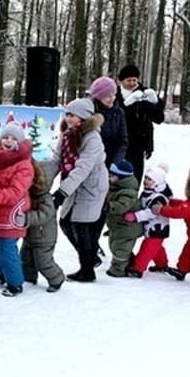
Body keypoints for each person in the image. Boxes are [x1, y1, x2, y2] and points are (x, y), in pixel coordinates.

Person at [43, 98, 109, 282]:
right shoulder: (67, 134)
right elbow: (57, 160)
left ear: (84, 116)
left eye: (73, 115)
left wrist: (62, 193)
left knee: (80, 224)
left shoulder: (93, 138)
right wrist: (44, 185)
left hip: (91, 186)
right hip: (73, 183)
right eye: (68, 114)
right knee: (65, 222)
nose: (69, 118)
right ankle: (91, 257)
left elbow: (82, 168)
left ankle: (87, 270)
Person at [0, 124, 34, 296]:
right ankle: (5, 272)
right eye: (6, 137)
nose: (9, 141)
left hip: (11, 212)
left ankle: (15, 283)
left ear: (20, 143)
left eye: (14, 139)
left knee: (7, 249)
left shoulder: (24, 164)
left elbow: (15, 192)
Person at [20, 158, 65, 292]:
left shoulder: (46, 199)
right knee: (26, 258)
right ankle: (29, 277)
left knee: (43, 262)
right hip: (30, 236)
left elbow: (44, 215)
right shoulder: (30, 196)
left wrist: (27, 218)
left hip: (44, 238)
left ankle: (56, 278)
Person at [116, 64, 165, 183]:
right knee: (116, 177)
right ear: (121, 81)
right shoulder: (115, 94)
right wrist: (128, 104)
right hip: (118, 143)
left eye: (135, 80)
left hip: (138, 143)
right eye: (129, 80)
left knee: (134, 178)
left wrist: (154, 103)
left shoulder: (145, 94)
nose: (132, 83)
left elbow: (158, 118)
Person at [125, 164, 173, 277]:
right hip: (150, 228)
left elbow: (151, 212)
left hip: (158, 228)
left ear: (157, 182)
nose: (146, 181)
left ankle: (138, 269)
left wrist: (136, 216)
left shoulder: (159, 197)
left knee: (147, 249)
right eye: (146, 178)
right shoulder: (147, 193)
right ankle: (162, 265)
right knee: (156, 248)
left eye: (150, 179)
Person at [104, 160, 143, 277]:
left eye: (112, 176)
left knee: (121, 250)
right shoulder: (115, 187)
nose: (109, 178)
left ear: (121, 177)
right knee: (114, 246)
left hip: (128, 228)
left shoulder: (128, 192)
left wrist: (107, 206)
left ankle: (118, 270)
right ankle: (131, 263)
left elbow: (122, 206)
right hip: (118, 226)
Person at [89, 75, 129, 168]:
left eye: (113, 95)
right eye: (107, 96)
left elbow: (123, 140)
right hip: (92, 161)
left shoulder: (118, 113)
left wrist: (116, 162)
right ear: (98, 97)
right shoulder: (90, 112)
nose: (112, 98)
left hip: (111, 161)